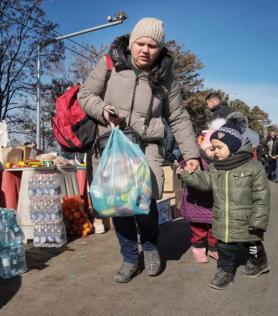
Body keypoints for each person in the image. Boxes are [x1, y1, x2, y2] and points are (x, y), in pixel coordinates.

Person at [78, 17, 200, 283]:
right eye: (141, 43)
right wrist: (103, 110)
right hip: (112, 146)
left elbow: (178, 117)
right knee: (118, 203)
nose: (145, 50)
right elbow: (85, 95)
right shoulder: (109, 64)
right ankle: (129, 258)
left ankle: (149, 245)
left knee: (145, 203)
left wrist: (191, 155)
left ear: (160, 49)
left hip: (147, 147)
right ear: (132, 43)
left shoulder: (166, 77)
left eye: (152, 45)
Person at [180, 113, 270, 290]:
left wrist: (259, 219)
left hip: (247, 219)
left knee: (252, 244)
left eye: (219, 147)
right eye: (213, 148)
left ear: (233, 146)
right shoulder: (215, 167)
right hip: (223, 218)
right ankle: (225, 272)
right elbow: (205, 183)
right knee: (225, 248)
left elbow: (262, 195)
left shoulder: (253, 166)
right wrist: (189, 175)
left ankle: (260, 262)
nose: (214, 151)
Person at [180, 126, 221, 263]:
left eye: (216, 149)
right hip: (195, 203)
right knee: (198, 231)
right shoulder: (194, 158)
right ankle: (198, 249)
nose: (213, 153)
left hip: (213, 203)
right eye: (211, 149)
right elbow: (184, 164)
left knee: (214, 230)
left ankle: (214, 249)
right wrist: (185, 169)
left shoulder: (220, 161)